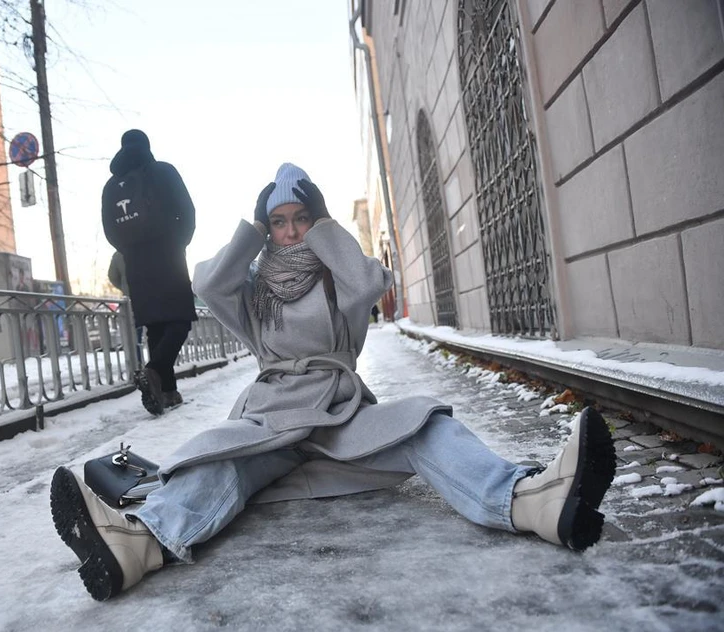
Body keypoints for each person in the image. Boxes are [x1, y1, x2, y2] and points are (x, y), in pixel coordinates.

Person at [54, 162, 617, 601]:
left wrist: (325, 229)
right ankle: (138, 545)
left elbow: (370, 282)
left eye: (300, 218)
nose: (290, 231)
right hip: (269, 424)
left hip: (341, 418)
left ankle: (529, 501)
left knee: (425, 422)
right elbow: (210, 284)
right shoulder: (251, 291)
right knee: (217, 462)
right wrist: (252, 230)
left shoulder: (338, 280)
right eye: (279, 222)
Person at [101, 130, 197, 414]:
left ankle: (167, 392)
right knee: (180, 319)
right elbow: (187, 211)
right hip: (168, 253)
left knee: (155, 326)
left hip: (136, 262)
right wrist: (179, 241)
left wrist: (130, 250)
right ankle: (154, 370)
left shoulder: (111, 186)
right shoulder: (163, 171)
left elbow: (109, 229)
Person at [108, 251, 144, 365]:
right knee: (158, 329)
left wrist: (124, 287)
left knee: (135, 332)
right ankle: (160, 362)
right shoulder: (148, 246)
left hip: (131, 298)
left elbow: (112, 276)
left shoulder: (119, 253)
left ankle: (138, 362)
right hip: (153, 296)